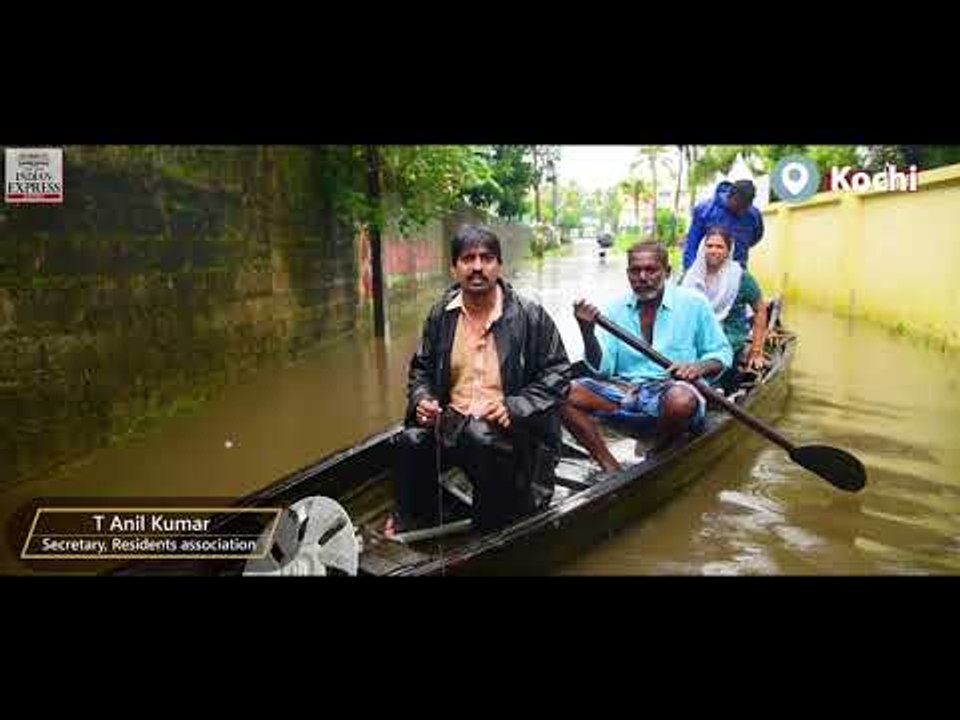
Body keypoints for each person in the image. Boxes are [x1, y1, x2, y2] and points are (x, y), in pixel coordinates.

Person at [388, 224, 572, 534]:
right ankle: (418, 518)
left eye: (486, 258)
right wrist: (423, 400)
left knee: (481, 438)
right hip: (451, 424)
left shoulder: (530, 316)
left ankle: (491, 528)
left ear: (499, 266)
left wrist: (516, 407)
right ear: (454, 268)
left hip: (511, 436)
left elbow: (559, 373)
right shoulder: (440, 315)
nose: (477, 267)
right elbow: (421, 369)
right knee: (410, 441)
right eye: (467, 259)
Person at [561, 241, 732, 472]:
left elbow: (722, 353)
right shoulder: (614, 309)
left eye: (651, 270)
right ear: (628, 274)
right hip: (626, 392)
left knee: (680, 400)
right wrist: (587, 331)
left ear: (667, 272)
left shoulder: (694, 304)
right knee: (561, 393)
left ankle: (657, 449)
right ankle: (610, 467)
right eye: (636, 271)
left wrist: (697, 367)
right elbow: (603, 369)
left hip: (672, 392)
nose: (643, 277)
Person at [681, 225, 768, 375]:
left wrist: (756, 351)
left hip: (729, 340)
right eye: (710, 246)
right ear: (703, 248)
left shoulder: (740, 277)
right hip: (694, 338)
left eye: (719, 247)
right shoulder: (690, 277)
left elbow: (760, 310)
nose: (713, 251)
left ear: (728, 251)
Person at [683, 179, 764, 271]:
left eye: (744, 207)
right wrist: (691, 271)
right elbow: (691, 246)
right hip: (707, 271)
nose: (741, 211)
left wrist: (739, 247)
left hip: (737, 270)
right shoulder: (705, 211)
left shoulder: (753, 216)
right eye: (738, 205)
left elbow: (756, 237)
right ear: (730, 196)